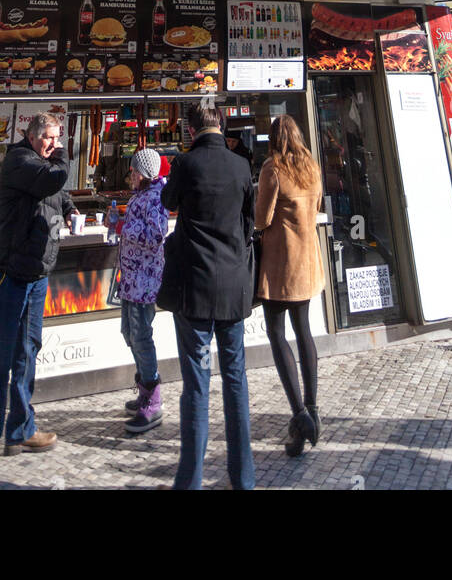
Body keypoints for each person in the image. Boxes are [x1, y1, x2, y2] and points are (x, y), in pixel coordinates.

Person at [0, 114, 75, 490]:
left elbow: (58, 194)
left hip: (37, 275)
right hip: (11, 274)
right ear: (31, 137)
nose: (53, 144)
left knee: (28, 352)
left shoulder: (41, 165)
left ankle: (20, 430)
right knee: (0, 363)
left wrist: (71, 210)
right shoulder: (19, 160)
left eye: (57, 138)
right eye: (48, 138)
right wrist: (63, 156)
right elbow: (53, 179)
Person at [158, 101, 255, 491]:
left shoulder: (184, 164)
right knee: (236, 380)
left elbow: (168, 204)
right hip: (233, 288)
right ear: (221, 125)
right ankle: (243, 478)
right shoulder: (242, 166)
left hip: (194, 290)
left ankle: (190, 482)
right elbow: (248, 224)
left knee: (196, 384)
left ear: (189, 129)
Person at [255, 115, 324, 457]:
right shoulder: (311, 166)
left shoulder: (272, 168)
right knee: (304, 332)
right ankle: (313, 409)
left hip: (280, 265)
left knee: (277, 334)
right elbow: (318, 206)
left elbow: (262, 217)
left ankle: (299, 414)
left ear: (273, 138)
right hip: (307, 262)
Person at [118, 147, 168, 435]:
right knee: (129, 333)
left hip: (144, 282)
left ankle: (153, 398)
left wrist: (127, 228)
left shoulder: (156, 198)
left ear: (147, 174)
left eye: (135, 171)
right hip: (131, 279)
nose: (132, 175)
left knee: (141, 335)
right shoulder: (141, 195)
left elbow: (156, 237)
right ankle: (143, 387)